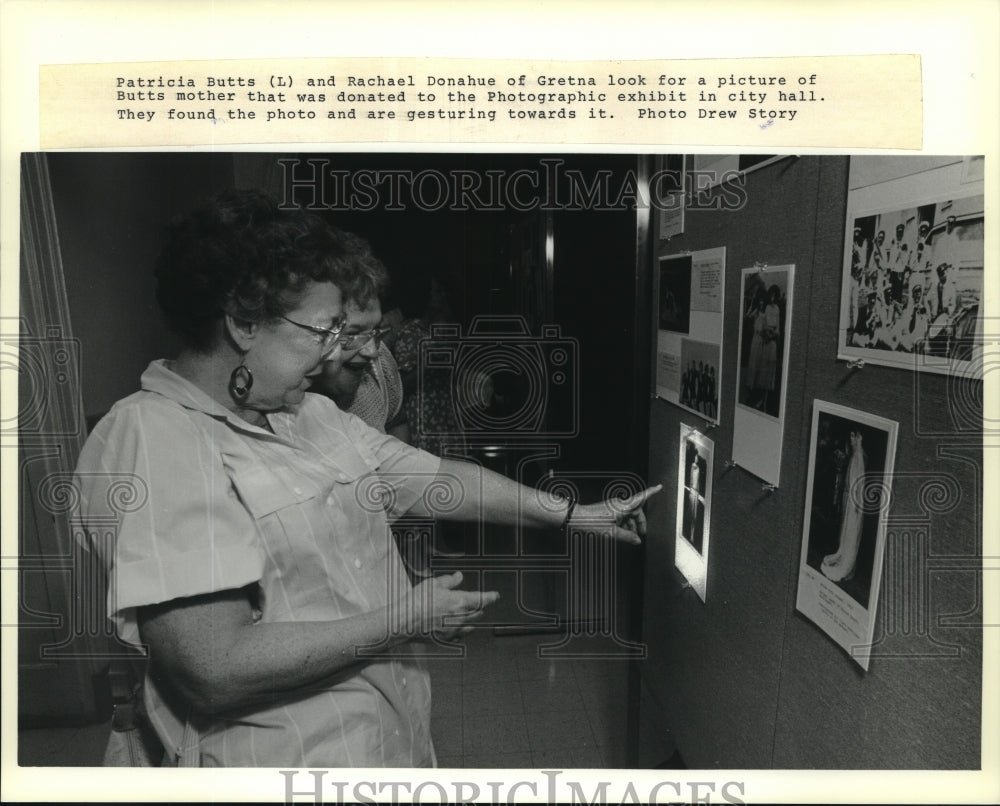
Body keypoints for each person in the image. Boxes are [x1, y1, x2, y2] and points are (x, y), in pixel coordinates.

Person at [72, 189, 659, 768]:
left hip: (385, 741)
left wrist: (573, 514)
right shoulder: (155, 437)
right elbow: (214, 670)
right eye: (325, 330)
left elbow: (433, 477)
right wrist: (406, 618)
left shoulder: (309, 414)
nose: (335, 356)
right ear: (245, 323)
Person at [308, 245, 408, 440]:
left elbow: (397, 422)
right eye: (353, 334)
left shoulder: (381, 368)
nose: (372, 351)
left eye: (375, 332)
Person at [821, 431, 866, 583]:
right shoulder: (854, 456)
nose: (851, 442)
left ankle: (848, 563)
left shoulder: (858, 457)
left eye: (853, 439)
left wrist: (857, 503)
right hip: (850, 500)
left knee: (852, 533)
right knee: (846, 530)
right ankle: (843, 555)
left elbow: (859, 483)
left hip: (855, 503)